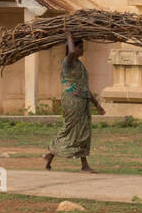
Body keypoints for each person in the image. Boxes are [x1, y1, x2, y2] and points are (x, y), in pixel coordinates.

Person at [42, 33, 103, 174]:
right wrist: (68, 34)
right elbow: (70, 51)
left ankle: (54, 157)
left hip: (82, 100)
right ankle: (52, 153)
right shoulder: (67, 62)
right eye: (80, 47)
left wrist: (97, 104)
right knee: (70, 128)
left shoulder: (79, 65)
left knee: (83, 131)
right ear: (74, 48)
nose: (83, 50)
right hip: (72, 100)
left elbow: (85, 87)